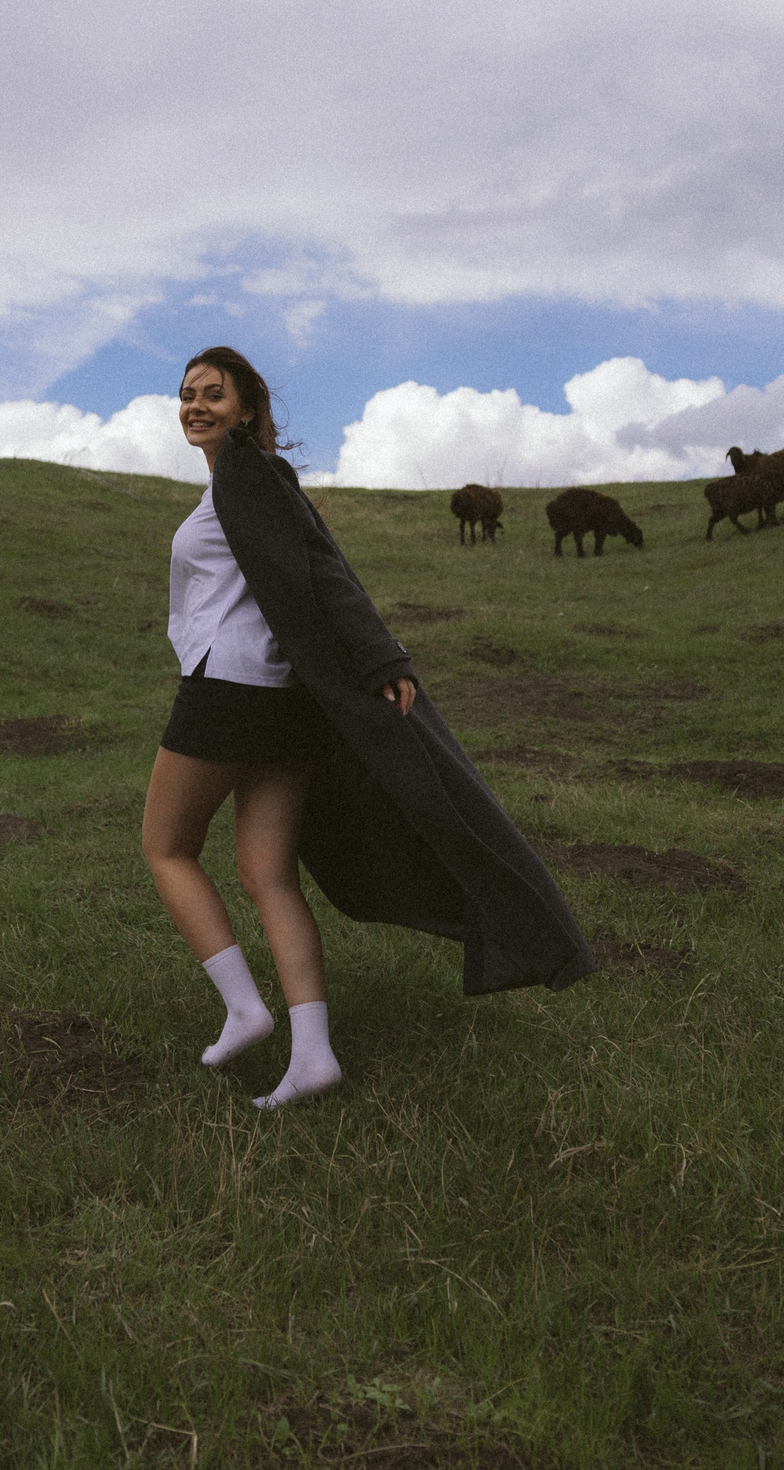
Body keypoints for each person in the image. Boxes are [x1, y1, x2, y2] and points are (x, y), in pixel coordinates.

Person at [144, 347, 594, 1111]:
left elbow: (323, 567)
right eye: (187, 394)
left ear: (248, 408)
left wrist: (384, 655)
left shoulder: (250, 473)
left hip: (225, 689)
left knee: (167, 849)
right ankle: (313, 1056)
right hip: (281, 699)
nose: (195, 405)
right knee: (266, 873)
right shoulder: (235, 482)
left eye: (213, 394)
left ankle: (246, 1009)